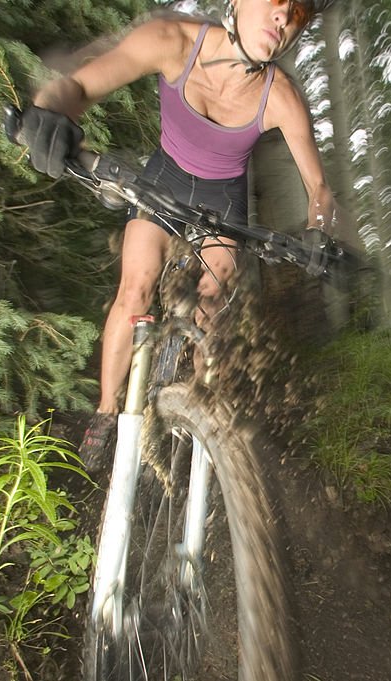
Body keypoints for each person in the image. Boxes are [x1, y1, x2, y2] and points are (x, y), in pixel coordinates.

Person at [19, 0, 339, 469]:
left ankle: (197, 417)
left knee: (210, 307)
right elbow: (78, 86)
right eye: (276, 1)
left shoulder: (282, 97)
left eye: (298, 15)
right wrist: (47, 112)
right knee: (136, 288)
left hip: (225, 198)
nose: (283, 18)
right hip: (163, 178)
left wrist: (319, 235)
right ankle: (107, 412)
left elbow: (319, 190)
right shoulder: (173, 40)